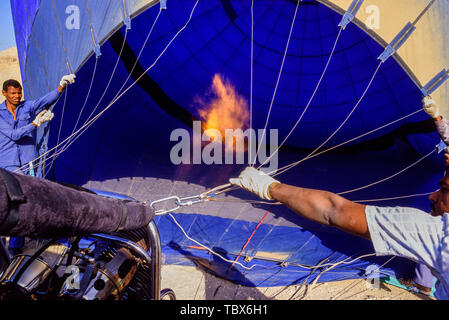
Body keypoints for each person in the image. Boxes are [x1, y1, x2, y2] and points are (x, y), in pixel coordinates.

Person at [229, 166, 449, 300]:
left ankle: (423, 285)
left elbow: (332, 210)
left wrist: (270, 188)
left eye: (445, 190)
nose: (432, 196)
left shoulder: (436, 232)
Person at [0, 74, 76, 255]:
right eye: (13, 94)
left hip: (28, 161)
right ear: (4, 93)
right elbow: (15, 135)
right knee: (12, 202)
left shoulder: (27, 106)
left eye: (19, 93)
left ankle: (29, 238)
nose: (17, 96)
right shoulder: (0, 115)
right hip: (8, 164)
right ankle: (10, 245)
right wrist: (36, 123)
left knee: (32, 198)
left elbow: (44, 100)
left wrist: (60, 86)